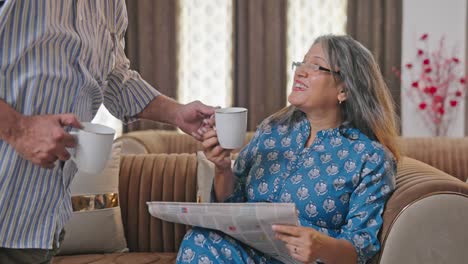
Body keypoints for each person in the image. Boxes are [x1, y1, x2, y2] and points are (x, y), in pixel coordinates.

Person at [0, 1, 214, 263]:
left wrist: (176, 113)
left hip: (38, 224)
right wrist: (19, 130)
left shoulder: (110, 5)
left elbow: (115, 78)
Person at [177, 34, 400, 264]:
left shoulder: (371, 157)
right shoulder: (272, 130)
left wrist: (320, 246)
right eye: (302, 62)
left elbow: (360, 248)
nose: (301, 71)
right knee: (200, 238)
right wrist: (222, 168)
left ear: (344, 90)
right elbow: (230, 202)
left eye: (315, 66)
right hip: (246, 253)